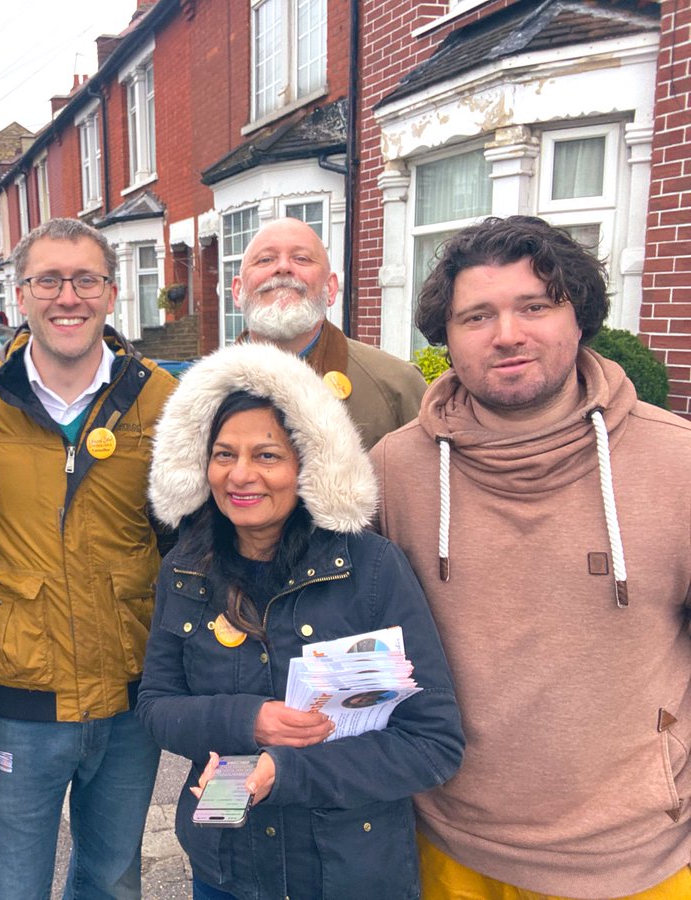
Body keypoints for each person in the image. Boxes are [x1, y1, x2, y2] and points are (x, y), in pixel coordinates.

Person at [371, 215, 691, 899]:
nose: (507, 334)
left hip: (632, 856)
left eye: (535, 306)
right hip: (448, 842)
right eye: (477, 316)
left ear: (580, 316)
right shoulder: (395, 470)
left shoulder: (678, 464)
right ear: (446, 337)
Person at [138, 341, 464, 900]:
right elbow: (156, 707)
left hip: (349, 872)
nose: (241, 476)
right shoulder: (187, 569)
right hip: (228, 866)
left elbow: (432, 743)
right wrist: (248, 720)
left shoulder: (372, 569)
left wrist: (285, 773)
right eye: (223, 454)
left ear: (308, 463)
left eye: (267, 455)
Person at [0, 218, 179, 899]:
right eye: (49, 280)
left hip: (129, 706)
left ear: (110, 292)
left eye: (85, 280)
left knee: (113, 883)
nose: (67, 296)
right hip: (17, 711)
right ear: (21, 294)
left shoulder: (162, 398)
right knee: (11, 890)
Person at [234, 217, 426, 448]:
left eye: (301, 258)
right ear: (237, 291)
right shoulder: (198, 395)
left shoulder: (397, 388)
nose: (283, 267)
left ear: (331, 288)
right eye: (265, 259)